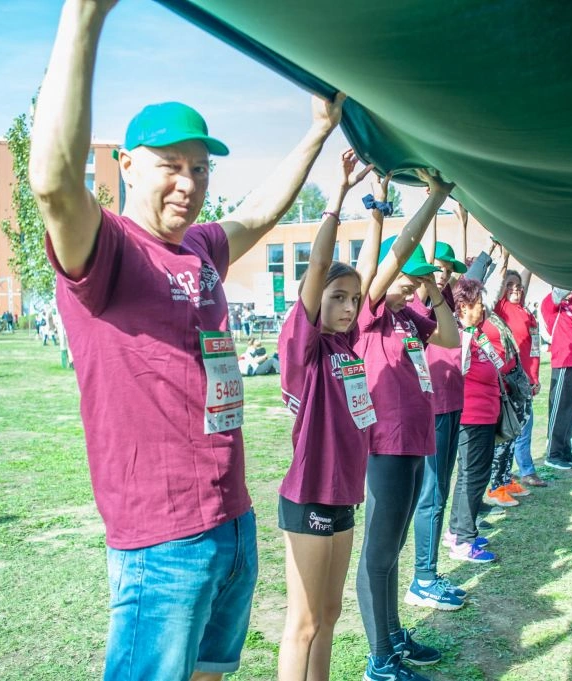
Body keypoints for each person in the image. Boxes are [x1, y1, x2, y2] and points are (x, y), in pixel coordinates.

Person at [28, 1, 345, 678]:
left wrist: (319, 131)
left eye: (200, 169)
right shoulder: (106, 249)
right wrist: (84, 17)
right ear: (126, 166)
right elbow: (54, 188)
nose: (189, 183)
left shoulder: (198, 248)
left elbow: (257, 214)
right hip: (161, 536)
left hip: (232, 517)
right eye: (171, 164)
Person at [353, 170, 460, 681]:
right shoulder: (370, 312)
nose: (411, 282)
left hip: (415, 442)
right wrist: (433, 200)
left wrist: (432, 289)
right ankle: (380, 659)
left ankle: (394, 635)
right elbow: (394, 256)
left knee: (393, 549)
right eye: (407, 277)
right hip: (387, 444)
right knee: (379, 553)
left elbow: (451, 338)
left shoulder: (405, 316)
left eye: (416, 279)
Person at [275, 149, 373, 681]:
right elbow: (317, 266)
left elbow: (375, 274)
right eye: (338, 297)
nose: (349, 308)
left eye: (354, 300)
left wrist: (379, 215)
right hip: (309, 494)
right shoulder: (305, 346)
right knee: (304, 622)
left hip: (343, 496)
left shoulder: (348, 348)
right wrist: (338, 194)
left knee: (331, 616)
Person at [406, 217, 472, 611]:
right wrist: (433, 207)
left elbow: (466, 273)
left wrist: (461, 225)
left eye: (447, 270)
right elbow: (427, 256)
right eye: (437, 269)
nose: (443, 275)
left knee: (440, 491)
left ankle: (429, 572)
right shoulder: (418, 304)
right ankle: (423, 578)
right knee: (430, 495)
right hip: (432, 408)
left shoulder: (444, 300)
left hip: (451, 403)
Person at [444, 275, 502, 563]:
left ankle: (457, 531)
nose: (483, 308)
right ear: (464, 306)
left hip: (485, 413)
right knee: (472, 476)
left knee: (472, 476)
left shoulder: (476, 333)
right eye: (478, 303)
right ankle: (464, 541)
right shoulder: (460, 335)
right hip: (472, 415)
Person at [492, 263, 545, 492]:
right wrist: (507, 258)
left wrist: (534, 378)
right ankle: (508, 478)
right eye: (510, 286)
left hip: (527, 381)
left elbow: (532, 350)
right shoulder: (501, 308)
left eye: (518, 286)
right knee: (511, 430)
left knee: (523, 427)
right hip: (511, 381)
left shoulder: (525, 310)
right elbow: (501, 285)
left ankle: (511, 475)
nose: (515, 289)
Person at [541, 288, 572, 470]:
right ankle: (553, 454)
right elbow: (559, 292)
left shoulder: (571, 304)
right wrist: (569, 277)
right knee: (560, 408)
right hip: (564, 361)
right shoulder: (551, 304)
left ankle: (565, 449)